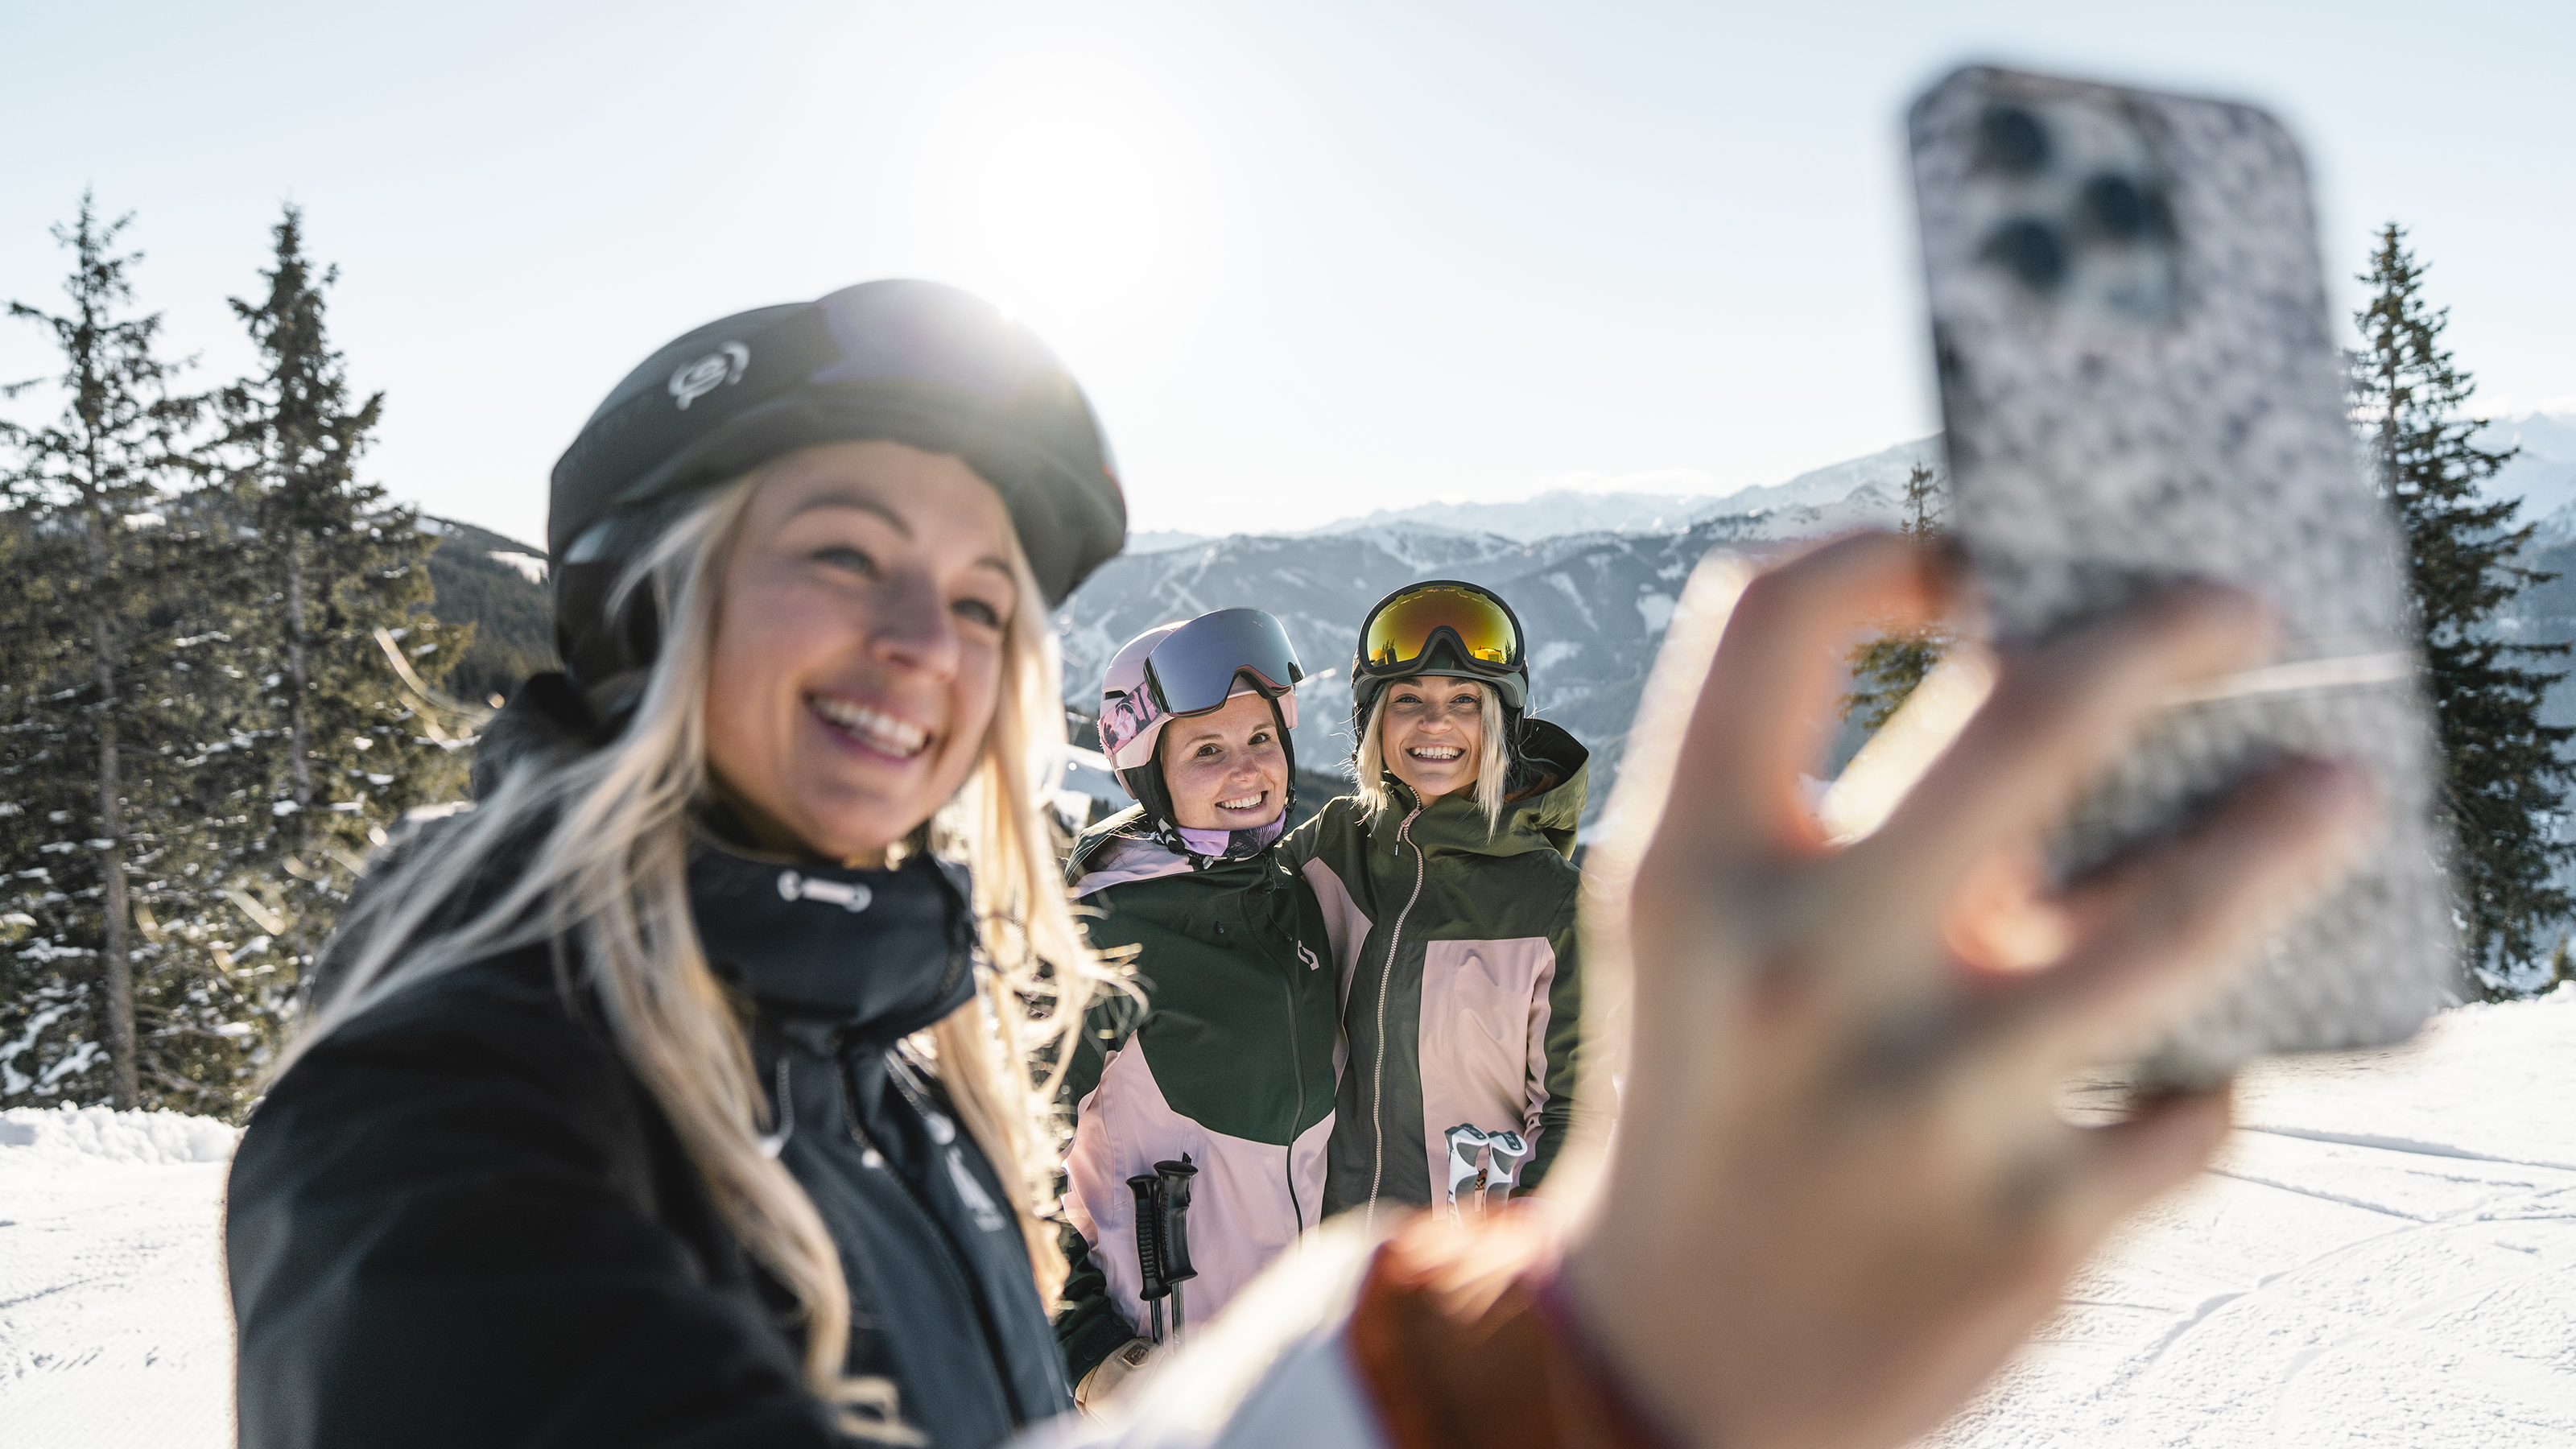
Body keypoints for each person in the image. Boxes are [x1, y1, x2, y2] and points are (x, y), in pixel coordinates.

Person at [223, 277, 2376, 1449]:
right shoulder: (445, 1122)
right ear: (647, 601)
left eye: (985, 599)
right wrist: (1526, 1382)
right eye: (843, 559)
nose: (924, 646)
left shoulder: (860, 1043)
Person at [1050, 610, 1340, 1406]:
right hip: (1165, 1382)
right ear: (1151, 775)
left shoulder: (1298, 898)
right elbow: (1006, 1160)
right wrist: (1088, 1352)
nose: (1247, 771)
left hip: (1298, 1366)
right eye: (1206, 751)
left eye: (1261, 740)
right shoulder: (1097, 931)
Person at [1286, 580, 1588, 1224]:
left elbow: (1573, 1113)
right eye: (1407, 700)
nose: (1435, 723)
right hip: (1323, 1260)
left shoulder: (1553, 905)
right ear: (1374, 720)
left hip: (1453, 1272)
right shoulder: (1333, 847)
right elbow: (1224, 893)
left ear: (1500, 722)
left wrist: (1503, 1273)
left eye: (1464, 701)